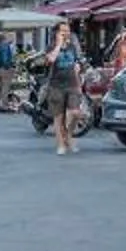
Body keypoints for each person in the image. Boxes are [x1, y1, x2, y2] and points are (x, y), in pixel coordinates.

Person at [45, 20, 84, 157]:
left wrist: (79, 85)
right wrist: (58, 45)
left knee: (75, 113)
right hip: (56, 85)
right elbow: (50, 60)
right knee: (58, 117)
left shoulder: (72, 47)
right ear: (57, 33)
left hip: (72, 84)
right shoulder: (51, 47)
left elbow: (76, 65)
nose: (66, 33)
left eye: (67, 31)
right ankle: (61, 144)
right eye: (63, 31)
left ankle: (68, 134)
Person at [0, 31, 18, 112]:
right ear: (6, 37)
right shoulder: (5, 45)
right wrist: (9, 67)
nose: (13, 38)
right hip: (5, 69)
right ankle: (4, 106)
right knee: (5, 88)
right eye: (11, 37)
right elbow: (5, 59)